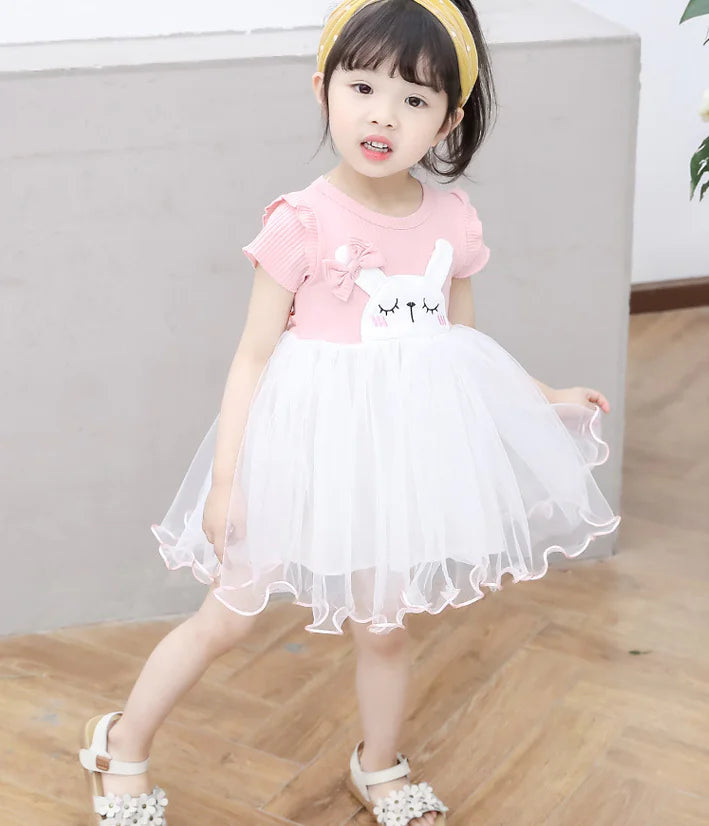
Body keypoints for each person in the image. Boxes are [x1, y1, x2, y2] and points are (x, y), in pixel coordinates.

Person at [78, 1, 622, 824]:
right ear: (322, 90)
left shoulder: (450, 221)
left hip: (398, 458)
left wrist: (543, 399)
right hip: (302, 449)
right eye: (362, 87)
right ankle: (121, 743)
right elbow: (252, 355)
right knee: (227, 617)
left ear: (447, 121)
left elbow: (462, 346)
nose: (383, 115)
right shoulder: (300, 221)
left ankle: (378, 765)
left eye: (414, 99)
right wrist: (226, 482)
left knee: (384, 627)